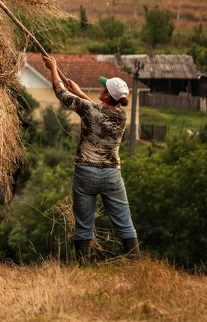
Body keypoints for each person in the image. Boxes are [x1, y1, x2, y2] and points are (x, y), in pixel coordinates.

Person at [41, 54, 140, 263]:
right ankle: (135, 263)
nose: (101, 90)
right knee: (124, 222)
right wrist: (79, 92)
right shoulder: (122, 116)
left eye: (103, 89)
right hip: (112, 174)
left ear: (105, 95)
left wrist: (53, 68)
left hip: (86, 173)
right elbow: (99, 111)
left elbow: (60, 93)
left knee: (84, 225)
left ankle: (83, 266)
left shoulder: (89, 109)